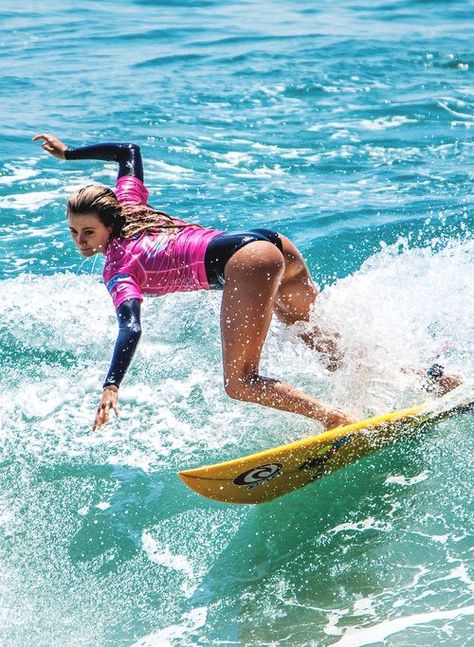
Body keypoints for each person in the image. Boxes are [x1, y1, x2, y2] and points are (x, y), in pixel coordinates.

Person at [33, 134, 460, 432]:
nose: (80, 242)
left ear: (108, 225)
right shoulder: (128, 204)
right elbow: (128, 151)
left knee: (240, 382)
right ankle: (433, 378)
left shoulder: (120, 267)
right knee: (322, 346)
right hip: (273, 243)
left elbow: (131, 325)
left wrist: (112, 384)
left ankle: (337, 419)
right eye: (73, 232)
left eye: (88, 232)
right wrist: (69, 155)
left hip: (249, 263)